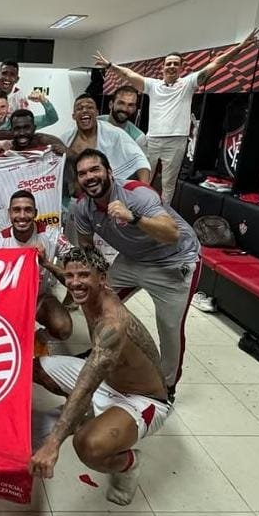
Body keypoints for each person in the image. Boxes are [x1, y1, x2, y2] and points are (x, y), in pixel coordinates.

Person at [30, 246, 172, 506]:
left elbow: (86, 386)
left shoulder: (112, 325)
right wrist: (47, 264)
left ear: (102, 279)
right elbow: (73, 279)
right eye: (71, 276)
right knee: (35, 368)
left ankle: (129, 464)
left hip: (141, 399)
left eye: (84, 275)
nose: (75, 283)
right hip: (108, 378)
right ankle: (88, 414)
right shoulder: (89, 291)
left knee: (88, 445)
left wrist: (52, 444)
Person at [71, 149, 201, 401]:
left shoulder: (137, 193)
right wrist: (92, 279)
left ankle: (167, 386)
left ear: (109, 172)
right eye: (83, 173)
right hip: (133, 259)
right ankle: (98, 351)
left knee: (170, 328)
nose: (89, 177)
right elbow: (86, 245)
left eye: (95, 169)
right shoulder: (82, 207)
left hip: (174, 261)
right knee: (94, 299)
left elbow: (171, 233)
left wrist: (133, 217)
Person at [94, 27, 259, 203]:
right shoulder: (152, 85)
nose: (172, 66)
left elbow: (216, 64)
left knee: (168, 183)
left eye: (175, 64)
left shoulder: (188, 84)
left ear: (181, 68)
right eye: (169, 63)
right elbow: (129, 74)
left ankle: (162, 211)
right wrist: (110, 66)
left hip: (176, 140)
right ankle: (138, 205)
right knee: (143, 176)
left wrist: (240, 47)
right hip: (153, 139)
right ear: (163, 67)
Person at [0, 190, 73, 340]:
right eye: (17, 210)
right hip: (12, 301)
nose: (22, 216)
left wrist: (46, 263)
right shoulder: (0, 242)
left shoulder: (51, 235)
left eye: (28, 210)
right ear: (9, 213)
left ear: (35, 213)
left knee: (63, 328)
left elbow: (75, 275)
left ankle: (41, 339)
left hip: (40, 298)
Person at [62, 94, 150, 183]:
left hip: (111, 187)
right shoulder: (65, 139)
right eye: (80, 108)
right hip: (77, 188)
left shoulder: (114, 133)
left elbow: (140, 160)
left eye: (90, 107)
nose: (85, 111)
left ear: (97, 113)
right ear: (73, 116)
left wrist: (144, 187)